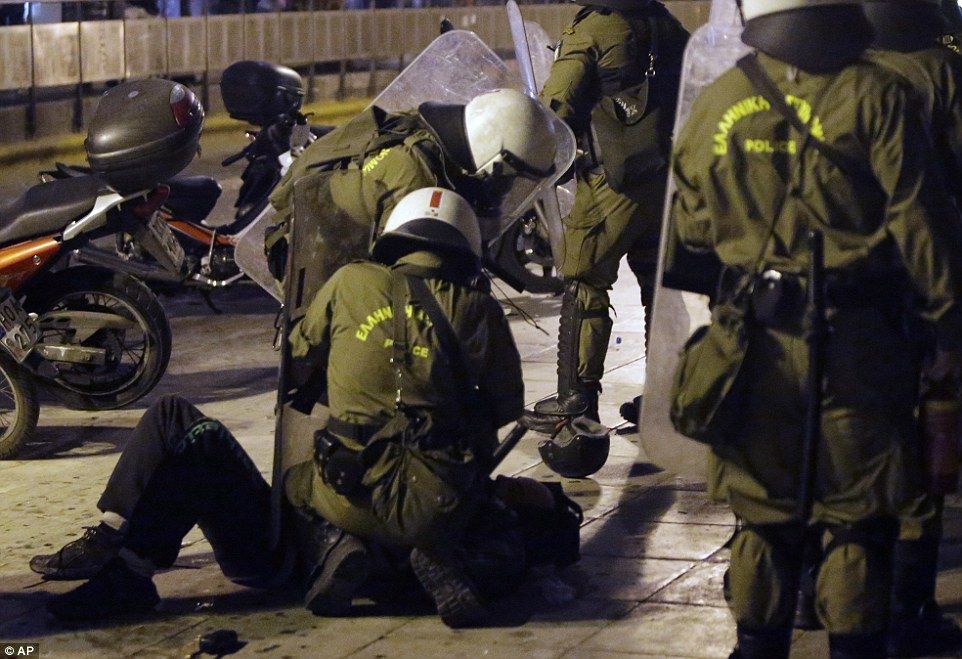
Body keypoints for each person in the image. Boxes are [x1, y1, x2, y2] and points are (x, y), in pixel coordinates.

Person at [32, 188, 580, 628]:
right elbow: (506, 407)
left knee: (239, 451)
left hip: (338, 505)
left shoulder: (350, 282)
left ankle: (130, 550)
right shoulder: (480, 309)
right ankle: (408, 549)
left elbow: (299, 352)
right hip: (440, 504)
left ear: (395, 237)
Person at [669, 0, 962, 656]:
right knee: (858, 519)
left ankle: (756, 645)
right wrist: (948, 332)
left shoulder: (718, 100)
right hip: (859, 349)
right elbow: (922, 226)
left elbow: (691, 228)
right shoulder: (878, 95)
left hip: (750, 349)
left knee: (762, 516)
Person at [805, 3, 962, 655]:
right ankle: (906, 605)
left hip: (834, 282)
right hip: (918, 275)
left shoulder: (827, 68)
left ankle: (806, 590)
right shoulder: (942, 70)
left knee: (829, 435)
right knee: (922, 434)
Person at [524, 0, 688, 429]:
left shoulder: (593, 28)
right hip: (666, 179)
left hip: (612, 182)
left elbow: (557, 109)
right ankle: (666, 401)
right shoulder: (667, 23)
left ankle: (577, 403)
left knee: (585, 281)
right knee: (659, 288)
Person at [264, 88, 558, 283]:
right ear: (493, 158)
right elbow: (405, 281)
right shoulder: (416, 181)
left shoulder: (436, 145)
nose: (509, 186)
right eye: (511, 176)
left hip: (341, 245)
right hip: (312, 263)